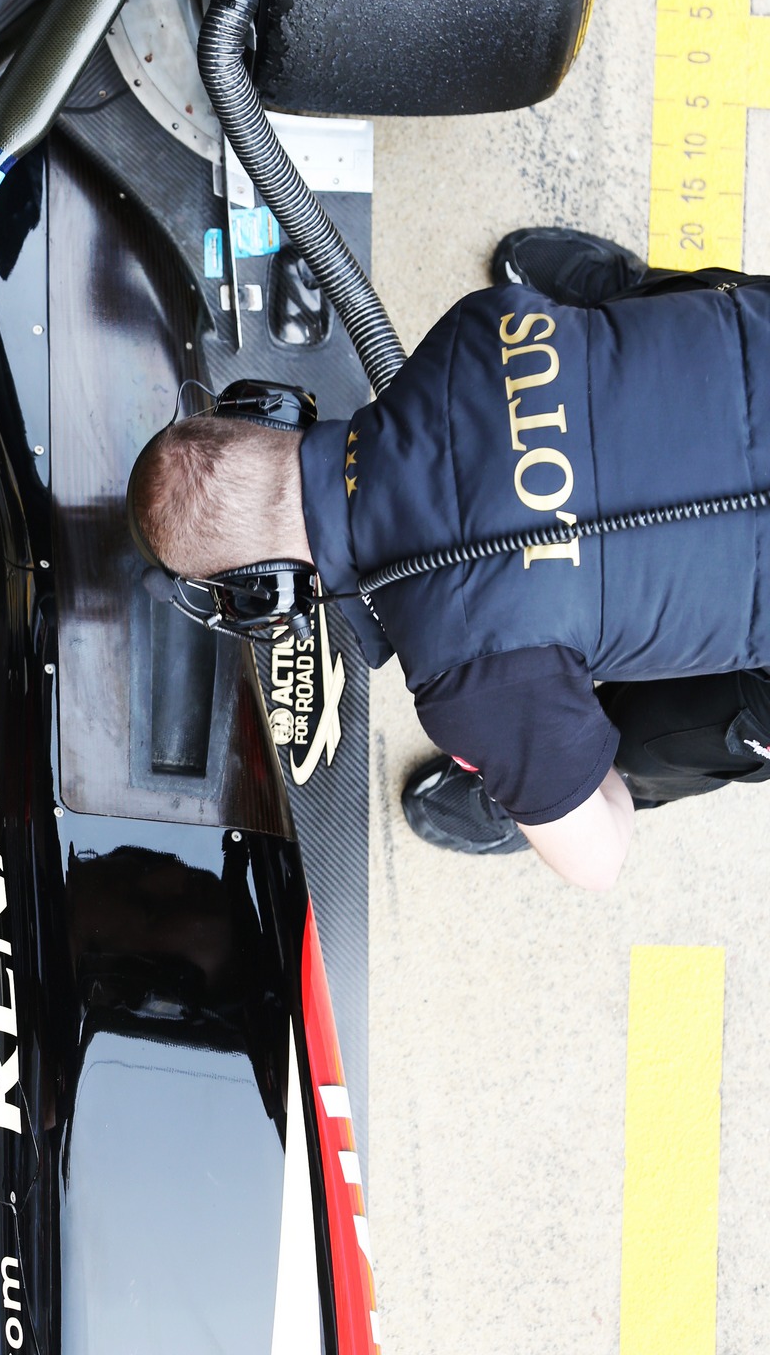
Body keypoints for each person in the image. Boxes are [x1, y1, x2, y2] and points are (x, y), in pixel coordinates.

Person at [128, 228, 770, 892]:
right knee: (681, 323)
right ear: (271, 405)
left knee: (669, 742)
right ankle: (623, 294)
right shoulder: (476, 327)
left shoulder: (471, 676)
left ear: (264, 590)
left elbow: (602, 859)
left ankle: (538, 795)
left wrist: (538, 764)